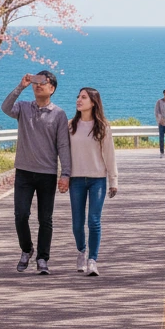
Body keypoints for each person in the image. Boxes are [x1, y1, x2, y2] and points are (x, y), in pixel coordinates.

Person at [2, 70, 71, 275]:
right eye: (36, 82)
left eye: (43, 82)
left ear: (52, 88)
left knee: (45, 219)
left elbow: (63, 145)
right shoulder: (23, 108)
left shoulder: (59, 114)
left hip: (47, 174)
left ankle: (42, 258)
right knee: (21, 215)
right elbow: (5, 108)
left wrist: (65, 174)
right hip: (24, 171)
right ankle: (27, 249)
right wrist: (20, 87)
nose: (38, 85)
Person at [68, 87, 118, 277]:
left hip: (98, 179)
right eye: (78, 97)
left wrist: (113, 180)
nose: (78, 100)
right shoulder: (70, 125)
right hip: (76, 179)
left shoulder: (103, 127)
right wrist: (62, 175)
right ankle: (81, 251)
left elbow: (110, 155)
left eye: (83, 97)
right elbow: (63, 153)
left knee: (94, 221)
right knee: (77, 223)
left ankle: (92, 260)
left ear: (93, 102)